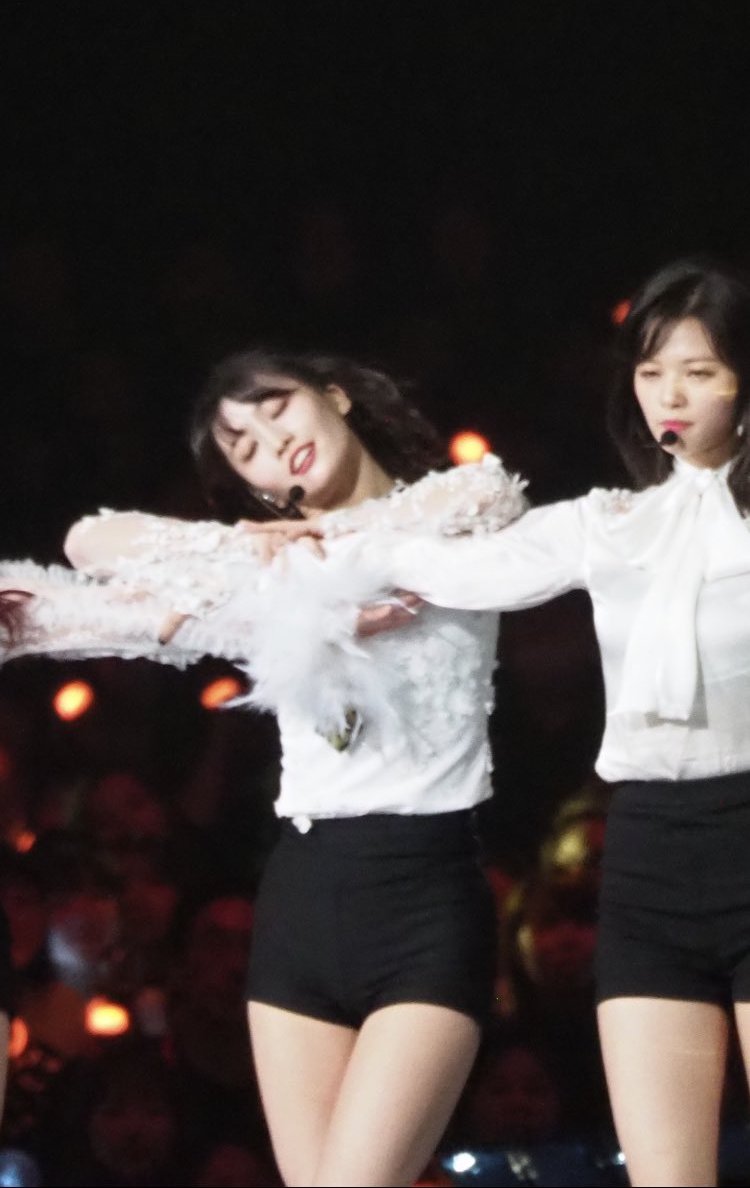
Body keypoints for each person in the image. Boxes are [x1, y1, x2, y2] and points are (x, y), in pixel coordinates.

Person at [1, 352, 527, 1188]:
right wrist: (253, 553)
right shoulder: (267, 580)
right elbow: (87, 544)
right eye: (242, 446)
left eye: (274, 409)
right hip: (300, 910)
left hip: (426, 906)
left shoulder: (453, 512)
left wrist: (315, 560)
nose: (270, 442)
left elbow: (491, 493)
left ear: (335, 395)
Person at [279, 258, 750, 1187]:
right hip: (649, 859)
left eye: (699, 371)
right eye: (651, 372)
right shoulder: (612, 522)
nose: (670, 396)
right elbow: (460, 570)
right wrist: (323, 540)